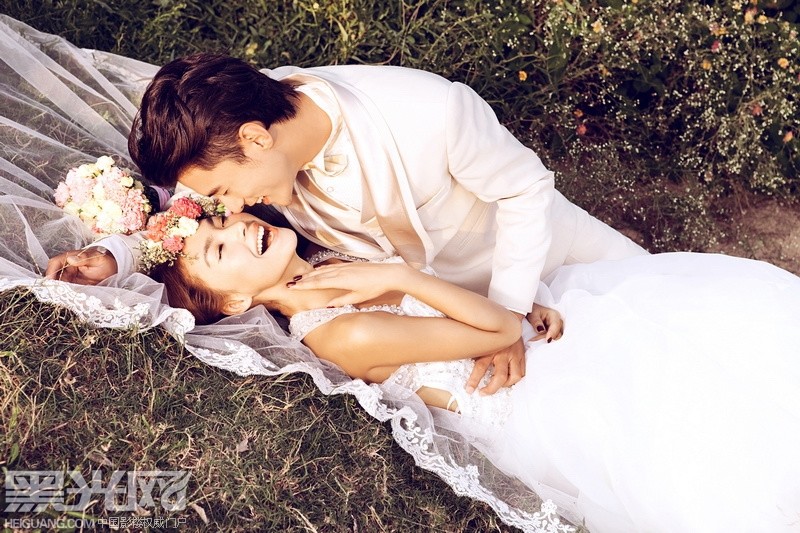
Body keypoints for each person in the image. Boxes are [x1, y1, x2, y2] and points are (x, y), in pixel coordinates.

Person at [150, 206, 800, 532]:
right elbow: (494, 331)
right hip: (531, 398)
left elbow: (485, 313)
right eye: (219, 250)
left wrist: (516, 303)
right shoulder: (339, 333)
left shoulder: (325, 264)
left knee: (714, 336)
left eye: (220, 221)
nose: (238, 229)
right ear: (235, 304)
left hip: (535, 344)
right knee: (701, 428)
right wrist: (406, 277)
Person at [46, 53, 649, 396]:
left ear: (256, 140)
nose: (230, 209)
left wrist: (509, 310)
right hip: (459, 322)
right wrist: (117, 256)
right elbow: (192, 230)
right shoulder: (239, 134)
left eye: (225, 193)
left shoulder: (432, 111)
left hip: (556, 258)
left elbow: (525, 189)